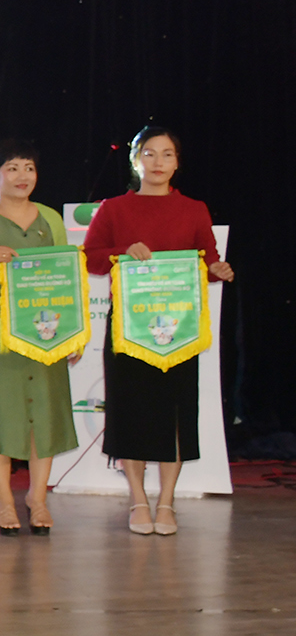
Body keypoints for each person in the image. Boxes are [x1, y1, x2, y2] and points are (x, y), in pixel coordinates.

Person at [83, 125, 234, 536]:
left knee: (175, 414)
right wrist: (121, 252)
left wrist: (217, 271)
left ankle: (166, 502)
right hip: (129, 328)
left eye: (167, 155)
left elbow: (208, 260)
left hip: (179, 328)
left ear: (177, 163)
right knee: (131, 412)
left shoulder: (194, 209)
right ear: (136, 159)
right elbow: (92, 259)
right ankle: (138, 499)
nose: (158, 163)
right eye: (149, 154)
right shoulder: (114, 208)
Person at [0, 139, 77, 535]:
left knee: (44, 413)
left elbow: (66, 276)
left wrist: (73, 335)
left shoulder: (51, 220)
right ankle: (4, 499)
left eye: (29, 167)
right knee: (0, 413)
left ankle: (37, 498)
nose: (22, 176)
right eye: (12, 168)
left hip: (46, 331)